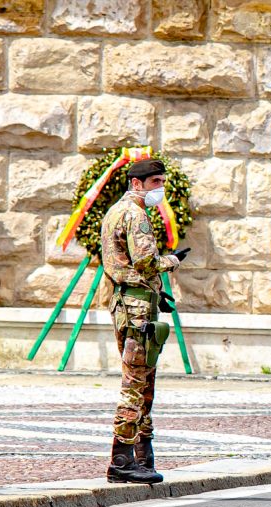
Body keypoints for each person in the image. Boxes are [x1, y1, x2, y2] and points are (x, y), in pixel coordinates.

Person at [100, 159, 189, 484]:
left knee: (144, 381)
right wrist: (173, 260)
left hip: (128, 300)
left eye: (161, 181)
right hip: (135, 305)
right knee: (136, 382)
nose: (160, 188)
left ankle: (141, 456)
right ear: (136, 184)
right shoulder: (135, 214)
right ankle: (122, 459)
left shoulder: (114, 212)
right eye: (155, 182)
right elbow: (147, 262)